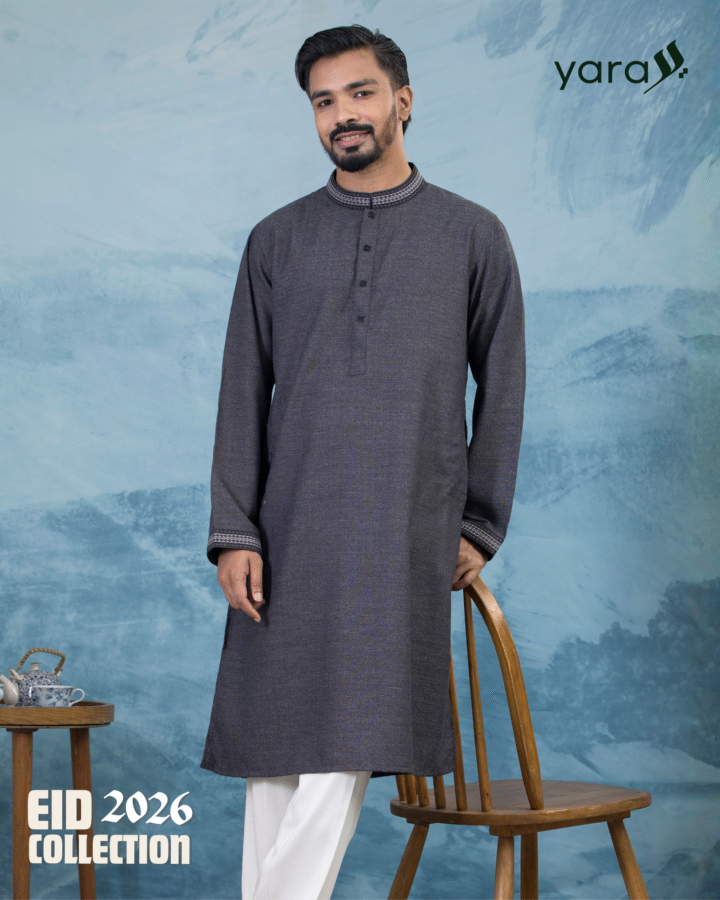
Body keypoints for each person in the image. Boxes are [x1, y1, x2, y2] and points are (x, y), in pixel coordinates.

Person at [201, 24, 525, 900]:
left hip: (402, 530)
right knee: (276, 751)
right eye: (323, 101)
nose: (342, 114)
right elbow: (241, 391)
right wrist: (235, 532)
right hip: (288, 530)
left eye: (360, 92)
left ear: (402, 101)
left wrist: (479, 524)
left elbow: (503, 387)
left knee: (349, 736)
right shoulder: (276, 240)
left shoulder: (473, 235)